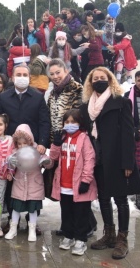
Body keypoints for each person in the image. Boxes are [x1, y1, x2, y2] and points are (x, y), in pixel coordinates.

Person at [80, 67, 140, 260]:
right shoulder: (86, 106)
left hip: (116, 157)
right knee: (104, 197)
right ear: (90, 82)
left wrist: (128, 162)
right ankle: (109, 234)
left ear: (110, 80)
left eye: (102, 77)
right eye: (95, 78)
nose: (98, 80)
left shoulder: (121, 102)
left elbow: (128, 134)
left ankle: (122, 239)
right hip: (97, 157)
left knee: (121, 199)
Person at [49, 109, 97, 255]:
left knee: (81, 213)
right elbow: (53, 158)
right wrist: (56, 144)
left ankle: (80, 239)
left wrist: (86, 180)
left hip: (79, 184)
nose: (70, 124)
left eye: (73, 122)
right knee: (66, 212)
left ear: (79, 123)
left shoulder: (84, 138)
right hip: (64, 184)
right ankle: (68, 235)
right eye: (67, 122)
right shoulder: (62, 137)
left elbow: (89, 159)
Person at [4, 124, 53, 242]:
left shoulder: (37, 150)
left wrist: (46, 161)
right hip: (19, 186)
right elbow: (10, 166)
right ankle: (13, 228)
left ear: (30, 141)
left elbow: (48, 163)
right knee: (16, 208)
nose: (22, 146)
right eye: (19, 144)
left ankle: (32, 230)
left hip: (34, 186)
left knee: (33, 209)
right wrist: (10, 164)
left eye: (24, 143)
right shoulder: (15, 152)